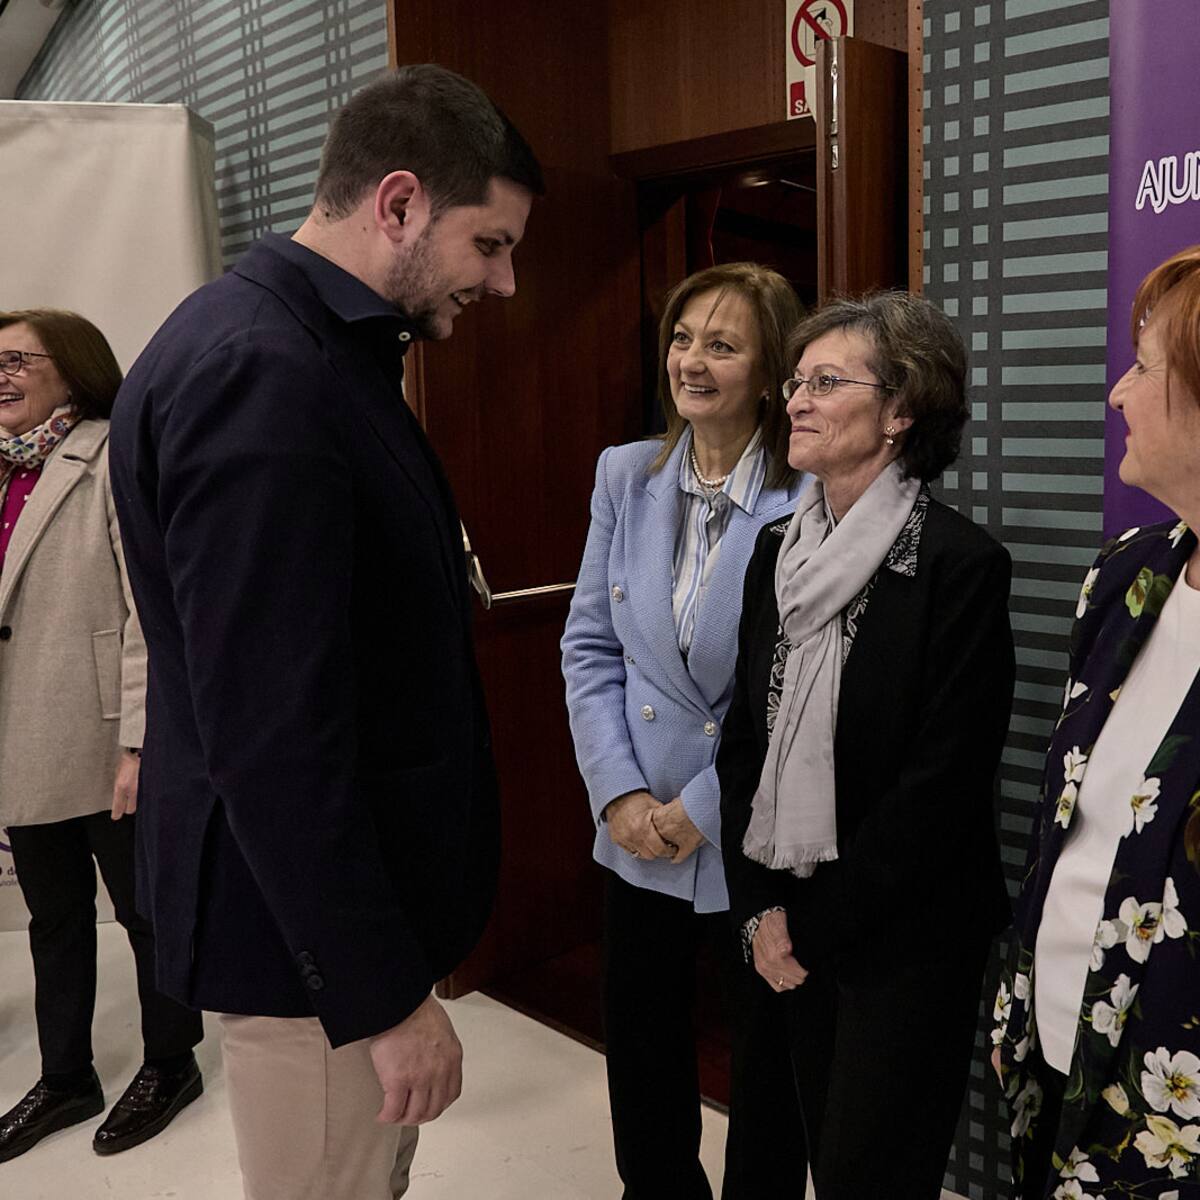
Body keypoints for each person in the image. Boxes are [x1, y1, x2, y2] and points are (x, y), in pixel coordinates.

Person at [108, 65, 543, 1200]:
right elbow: (273, 734)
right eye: (489, 245)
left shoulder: (316, 348)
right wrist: (381, 995)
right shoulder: (263, 371)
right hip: (308, 959)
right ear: (397, 203)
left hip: (338, 935)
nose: (503, 283)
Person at [718, 291, 1015, 1198]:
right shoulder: (779, 548)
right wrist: (761, 910)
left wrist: (809, 925)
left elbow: (942, 787)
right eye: (797, 382)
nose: (795, 400)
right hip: (787, 917)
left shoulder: (959, 565)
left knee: (870, 1174)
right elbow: (747, 740)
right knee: (802, 1144)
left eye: (827, 382)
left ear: (899, 411)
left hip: (905, 935)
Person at [561, 262, 808, 1199]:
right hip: (637, 831)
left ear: (772, 368)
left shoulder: (806, 497)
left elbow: (795, 690)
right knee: (643, 1052)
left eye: (722, 344)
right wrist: (620, 794)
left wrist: (698, 807)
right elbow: (589, 645)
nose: (691, 362)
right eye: (681, 337)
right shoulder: (626, 475)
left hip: (748, 825)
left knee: (767, 1062)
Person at [993, 245, 1200, 1196]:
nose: (1118, 393)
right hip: (1058, 1074)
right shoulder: (1127, 574)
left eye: (1145, 368)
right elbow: (1066, 825)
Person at [0, 309, 204, 1163]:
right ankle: (66, 1075)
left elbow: (145, 611)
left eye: (17, 359)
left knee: (145, 913)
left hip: (103, 730)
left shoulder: (113, 451)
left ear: (72, 370)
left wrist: (138, 746)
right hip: (24, 732)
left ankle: (171, 1063)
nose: (1, 375)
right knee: (52, 918)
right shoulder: (4, 470)